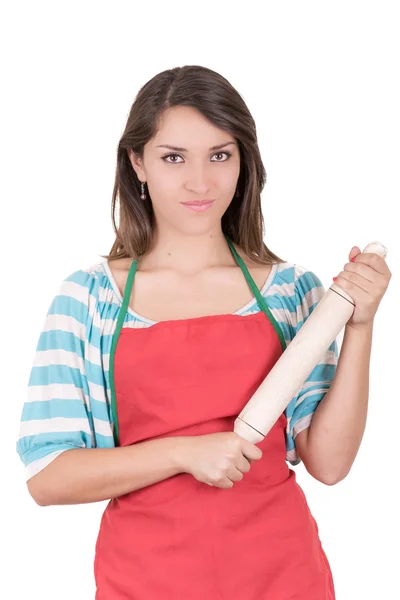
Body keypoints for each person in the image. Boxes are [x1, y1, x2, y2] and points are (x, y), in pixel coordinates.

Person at [16, 65, 391, 600]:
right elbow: (47, 477)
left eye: (220, 155)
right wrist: (182, 453)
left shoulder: (292, 293)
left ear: (244, 163)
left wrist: (360, 326)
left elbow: (329, 464)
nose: (200, 182)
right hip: (144, 581)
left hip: (283, 576)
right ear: (137, 163)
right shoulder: (88, 300)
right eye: (174, 158)